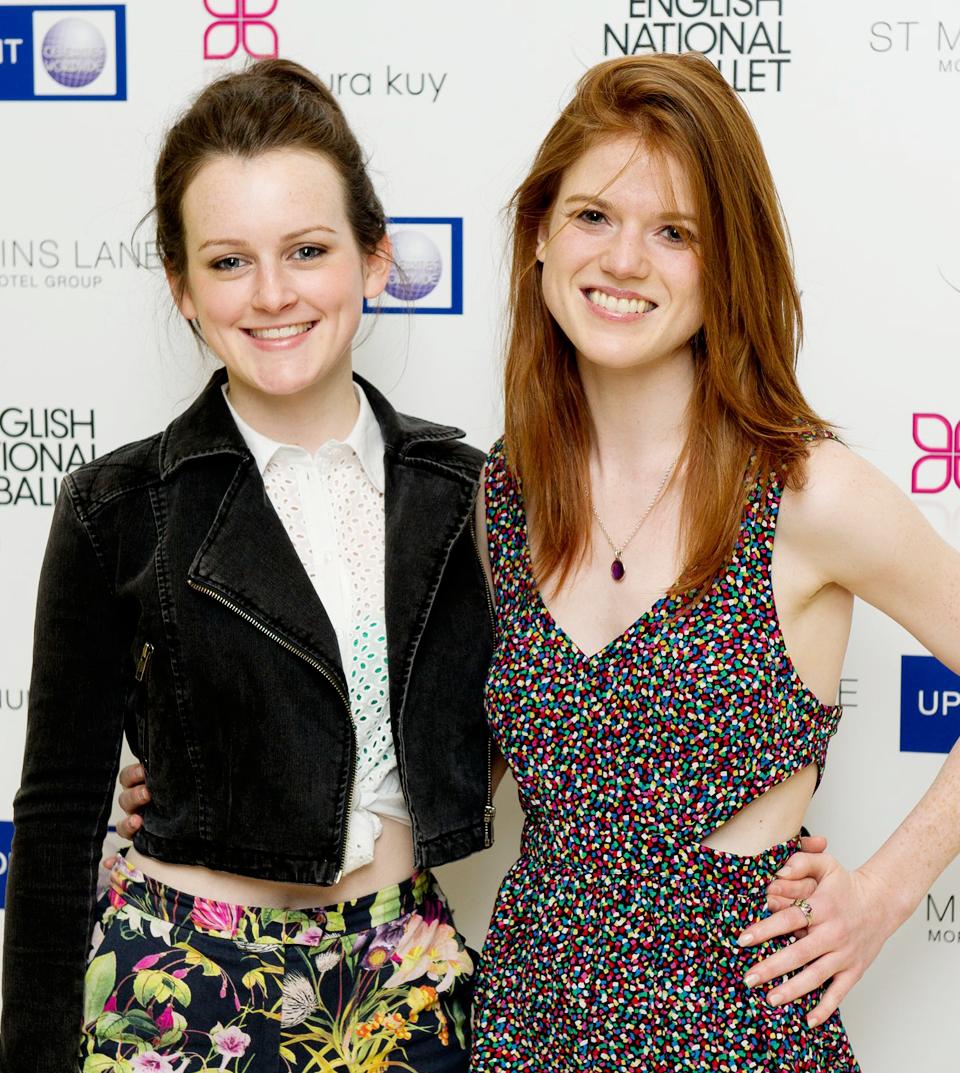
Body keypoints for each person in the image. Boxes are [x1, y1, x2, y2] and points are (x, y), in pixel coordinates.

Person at [0, 59, 496, 1073]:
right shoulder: (116, 506)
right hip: (179, 988)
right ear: (182, 285)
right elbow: (55, 819)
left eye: (307, 249)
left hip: (406, 984)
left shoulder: (468, 493)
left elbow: (570, 726)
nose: (273, 294)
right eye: (229, 261)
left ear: (374, 258)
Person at [468, 52, 960, 1071]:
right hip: (528, 1025)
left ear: (725, 262)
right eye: (594, 216)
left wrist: (883, 893)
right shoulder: (506, 495)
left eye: (675, 232)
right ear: (540, 236)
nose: (624, 260)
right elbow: (455, 763)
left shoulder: (807, 495)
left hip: (735, 1033)